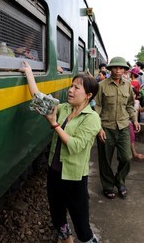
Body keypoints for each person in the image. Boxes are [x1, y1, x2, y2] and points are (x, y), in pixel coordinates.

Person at [20, 61, 101, 243]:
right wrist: (29, 73)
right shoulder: (64, 108)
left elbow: (74, 146)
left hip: (74, 176)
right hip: (55, 171)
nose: (70, 90)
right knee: (57, 214)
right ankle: (66, 239)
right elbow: (39, 97)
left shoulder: (92, 119)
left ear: (88, 95)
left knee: (81, 221)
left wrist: (54, 124)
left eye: (76, 88)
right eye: (71, 86)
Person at [94, 56, 141, 199]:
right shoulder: (102, 86)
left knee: (126, 157)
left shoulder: (127, 85)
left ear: (125, 70)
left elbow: (129, 105)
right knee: (105, 160)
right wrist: (98, 128)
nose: (118, 70)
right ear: (110, 69)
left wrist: (134, 120)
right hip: (106, 127)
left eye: (121, 68)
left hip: (123, 127)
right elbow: (97, 107)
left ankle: (120, 181)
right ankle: (108, 186)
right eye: (115, 67)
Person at [129, 88, 144, 160]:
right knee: (132, 137)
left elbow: (140, 110)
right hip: (129, 122)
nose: (133, 95)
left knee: (131, 138)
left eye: (134, 94)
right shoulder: (127, 103)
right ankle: (134, 153)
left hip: (135, 122)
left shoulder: (137, 102)